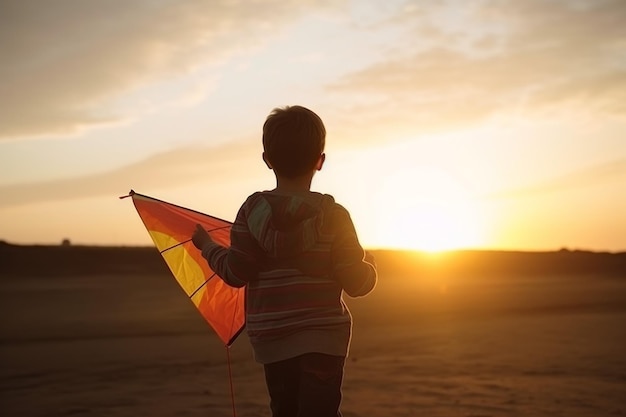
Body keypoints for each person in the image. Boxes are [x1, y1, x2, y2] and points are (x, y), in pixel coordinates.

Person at [191, 105, 377, 417]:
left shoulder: (251, 212)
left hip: (273, 340)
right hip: (323, 340)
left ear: (267, 160)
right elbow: (357, 283)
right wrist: (368, 264)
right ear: (320, 161)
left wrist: (207, 246)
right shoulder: (334, 216)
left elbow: (237, 272)